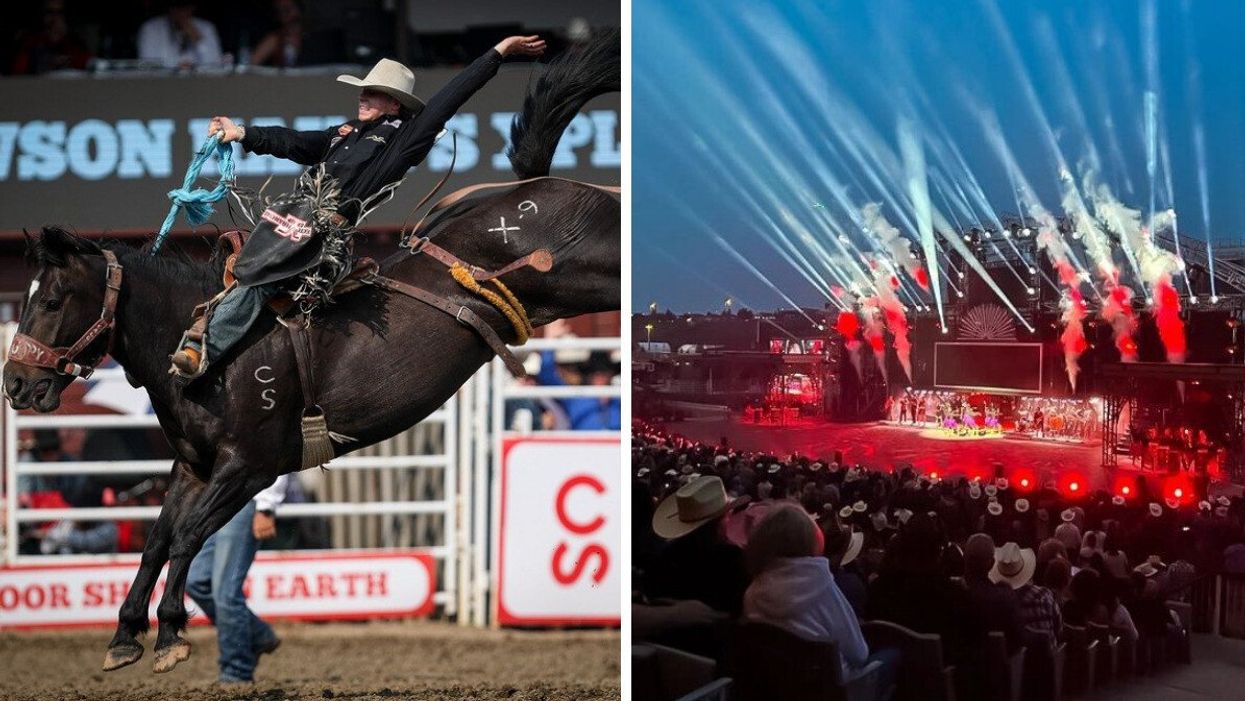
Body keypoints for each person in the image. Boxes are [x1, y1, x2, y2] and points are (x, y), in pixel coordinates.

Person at [169, 33, 547, 378]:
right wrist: (244, 133)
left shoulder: (405, 140)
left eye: (372, 92)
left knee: (265, 273)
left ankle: (203, 351)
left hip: (323, 235)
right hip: (291, 216)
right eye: (363, 91)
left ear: (394, 104)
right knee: (236, 258)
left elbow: (449, 98)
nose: (361, 96)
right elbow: (297, 142)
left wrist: (496, 54)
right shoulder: (344, 133)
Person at [743, 505, 899, 690]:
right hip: (835, 689)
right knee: (894, 654)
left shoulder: (752, 593)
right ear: (809, 539)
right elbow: (859, 654)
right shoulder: (822, 586)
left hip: (779, 687)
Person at [186, 475, 289, 683]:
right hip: (220, 498)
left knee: (226, 592)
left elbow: (276, 449)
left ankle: (236, 671)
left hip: (247, 497)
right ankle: (258, 635)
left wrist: (266, 507)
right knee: (196, 579)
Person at [137, 2, 223, 69]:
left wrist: (198, 40)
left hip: (199, 84)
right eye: (177, 8)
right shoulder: (151, 28)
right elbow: (148, 65)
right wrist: (176, 67)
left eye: (185, 8)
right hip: (162, 84)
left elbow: (215, 65)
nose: (181, 12)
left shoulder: (206, 27)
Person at [250, 0, 304, 68]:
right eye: (282, 11)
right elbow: (250, 65)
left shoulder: (312, 38)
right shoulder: (276, 39)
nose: (288, 15)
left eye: (288, 9)